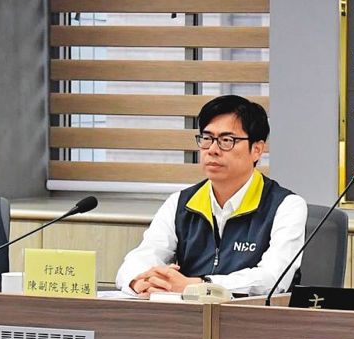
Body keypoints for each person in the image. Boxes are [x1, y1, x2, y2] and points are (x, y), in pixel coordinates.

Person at [115, 94, 307, 296]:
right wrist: (140, 281)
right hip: (188, 313)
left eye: (227, 140)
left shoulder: (286, 206)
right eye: (207, 139)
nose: (213, 150)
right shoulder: (180, 203)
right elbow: (143, 256)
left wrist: (199, 286)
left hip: (251, 314)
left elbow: (273, 278)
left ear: (257, 150)